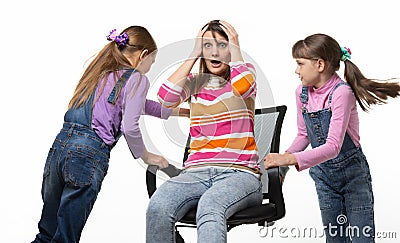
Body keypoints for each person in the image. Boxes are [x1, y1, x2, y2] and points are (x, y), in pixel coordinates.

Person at [32, 26, 189, 243]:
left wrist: (184, 112)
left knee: (47, 234)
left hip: (59, 148)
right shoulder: (137, 78)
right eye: (151, 64)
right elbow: (130, 125)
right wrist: (147, 156)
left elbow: (141, 105)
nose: (149, 69)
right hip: (87, 154)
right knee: (65, 238)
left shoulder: (100, 73)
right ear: (143, 55)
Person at [264, 33, 400, 242]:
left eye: (300, 64)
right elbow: (303, 135)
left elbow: (333, 146)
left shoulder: (341, 93)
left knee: (362, 237)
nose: (296, 70)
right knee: (335, 238)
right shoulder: (301, 93)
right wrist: (282, 165)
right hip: (324, 178)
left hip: (353, 176)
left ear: (319, 64)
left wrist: (290, 159)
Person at [146, 20, 262, 243]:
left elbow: (243, 87)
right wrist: (193, 53)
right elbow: (166, 97)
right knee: (158, 207)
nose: (215, 52)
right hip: (195, 173)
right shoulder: (194, 84)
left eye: (222, 45)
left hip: (239, 174)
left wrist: (236, 46)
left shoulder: (245, 74)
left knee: (210, 206)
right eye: (208, 46)